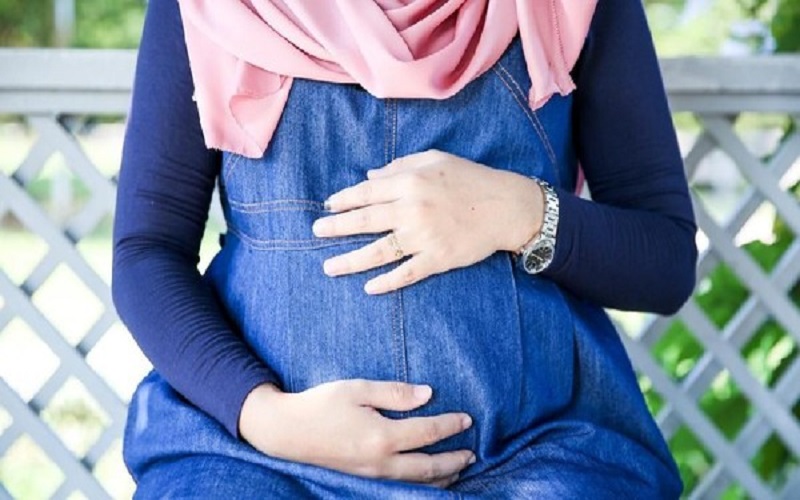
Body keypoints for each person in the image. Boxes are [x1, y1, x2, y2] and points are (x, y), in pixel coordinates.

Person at [112, 0, 698, 498]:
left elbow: (666, 261)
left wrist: (518, 211)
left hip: (538, 451)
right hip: (255, 456)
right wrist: (266, 418)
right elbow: (147, 252)